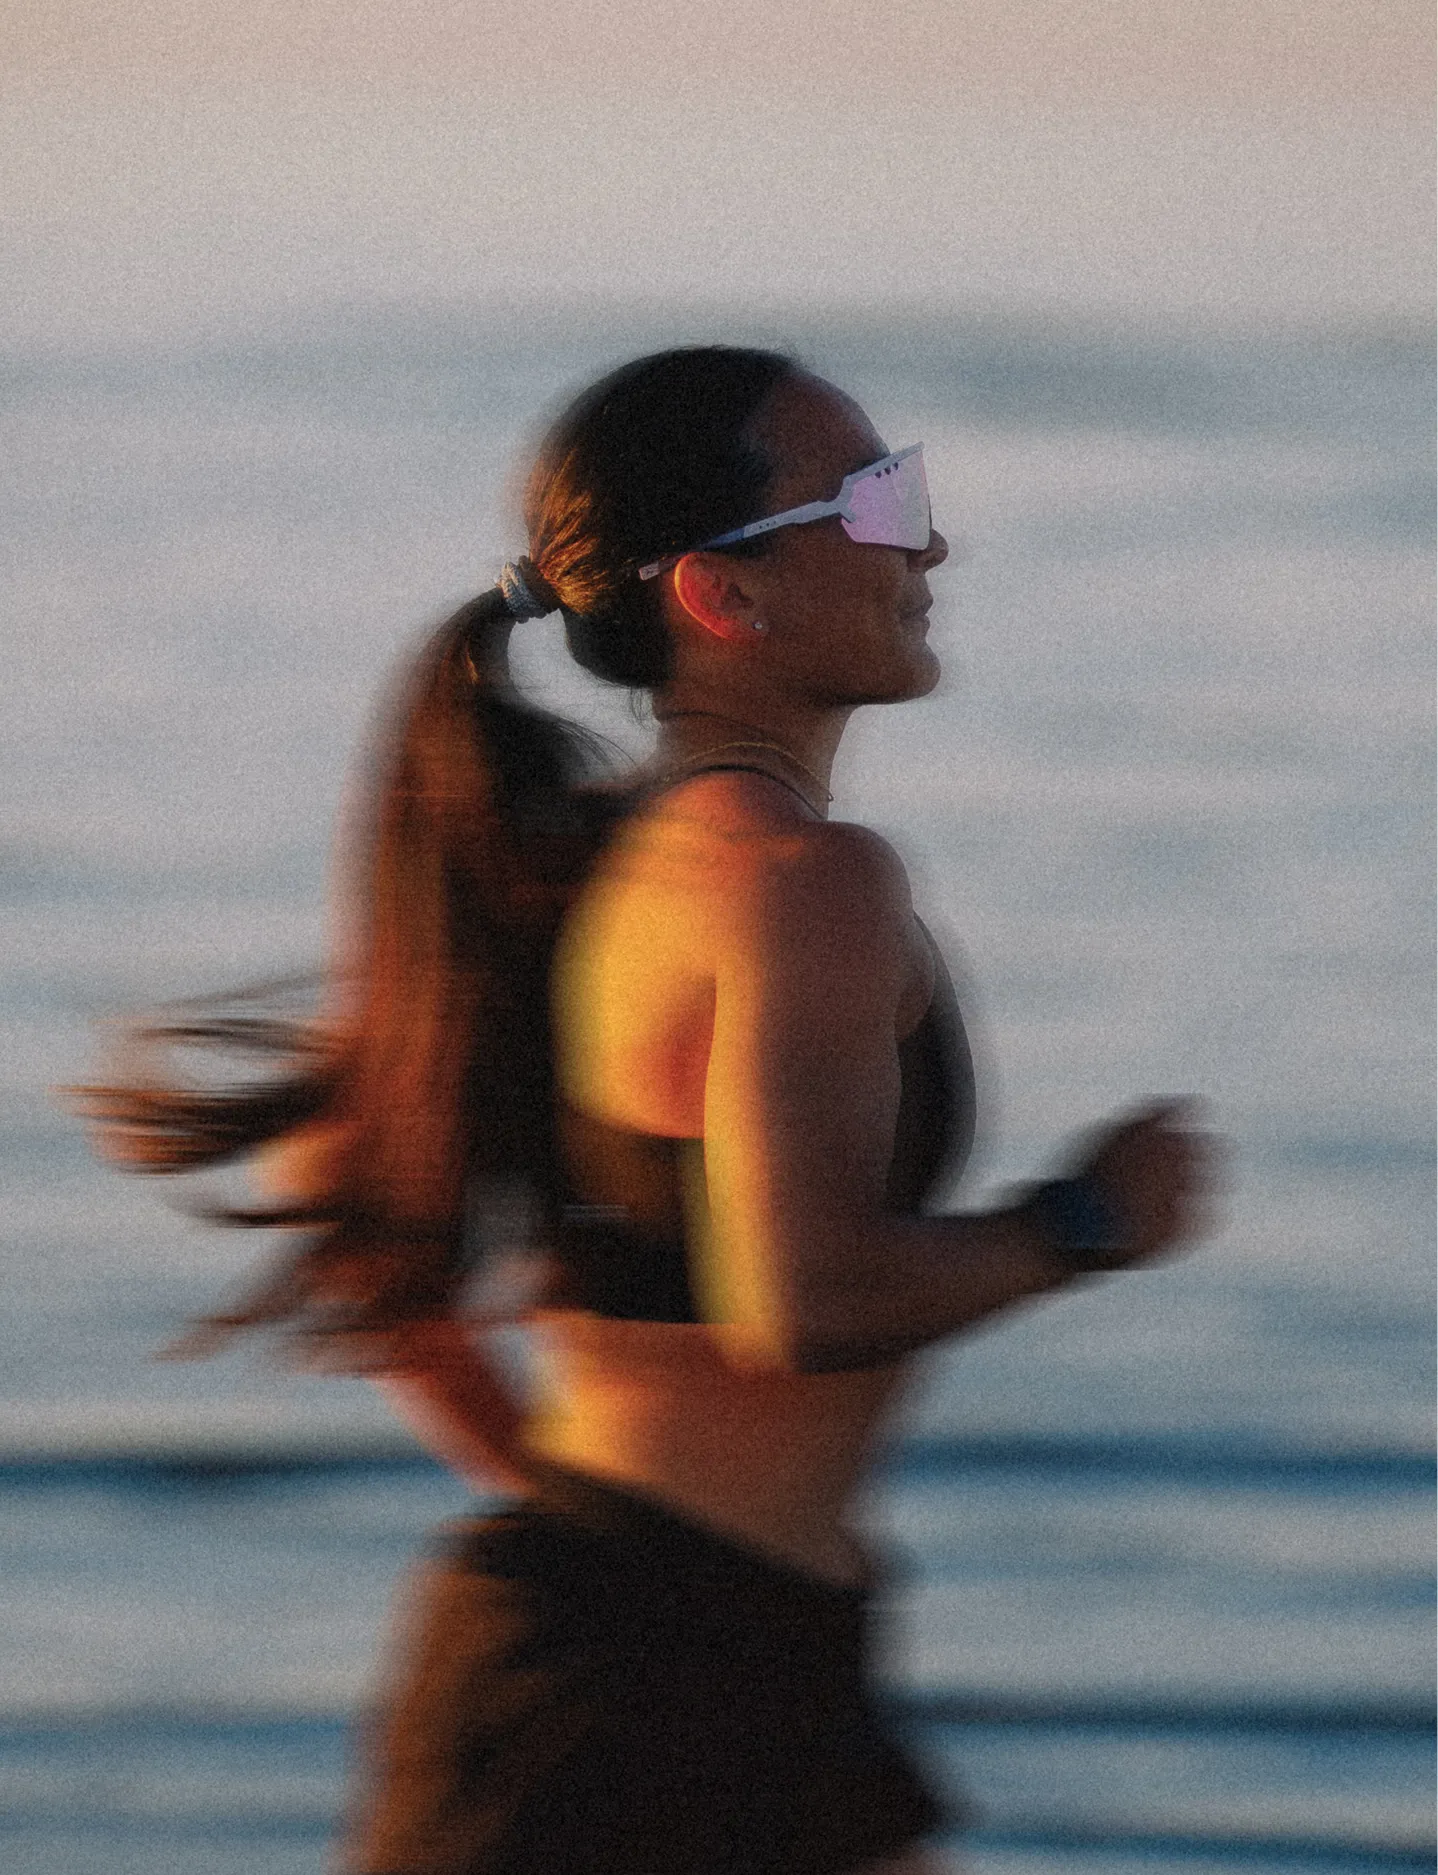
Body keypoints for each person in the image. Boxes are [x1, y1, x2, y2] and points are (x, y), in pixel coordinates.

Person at [75, 345, 1212, 1874]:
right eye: (875, 500)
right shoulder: (802, 882)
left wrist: (589, 1518)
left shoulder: (573, 864)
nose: (925, 541)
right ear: (722, 597)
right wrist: (1084, 1220)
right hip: (641, 1700)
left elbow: (383, 1250)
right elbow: (801, 1302)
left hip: (684, 1647)